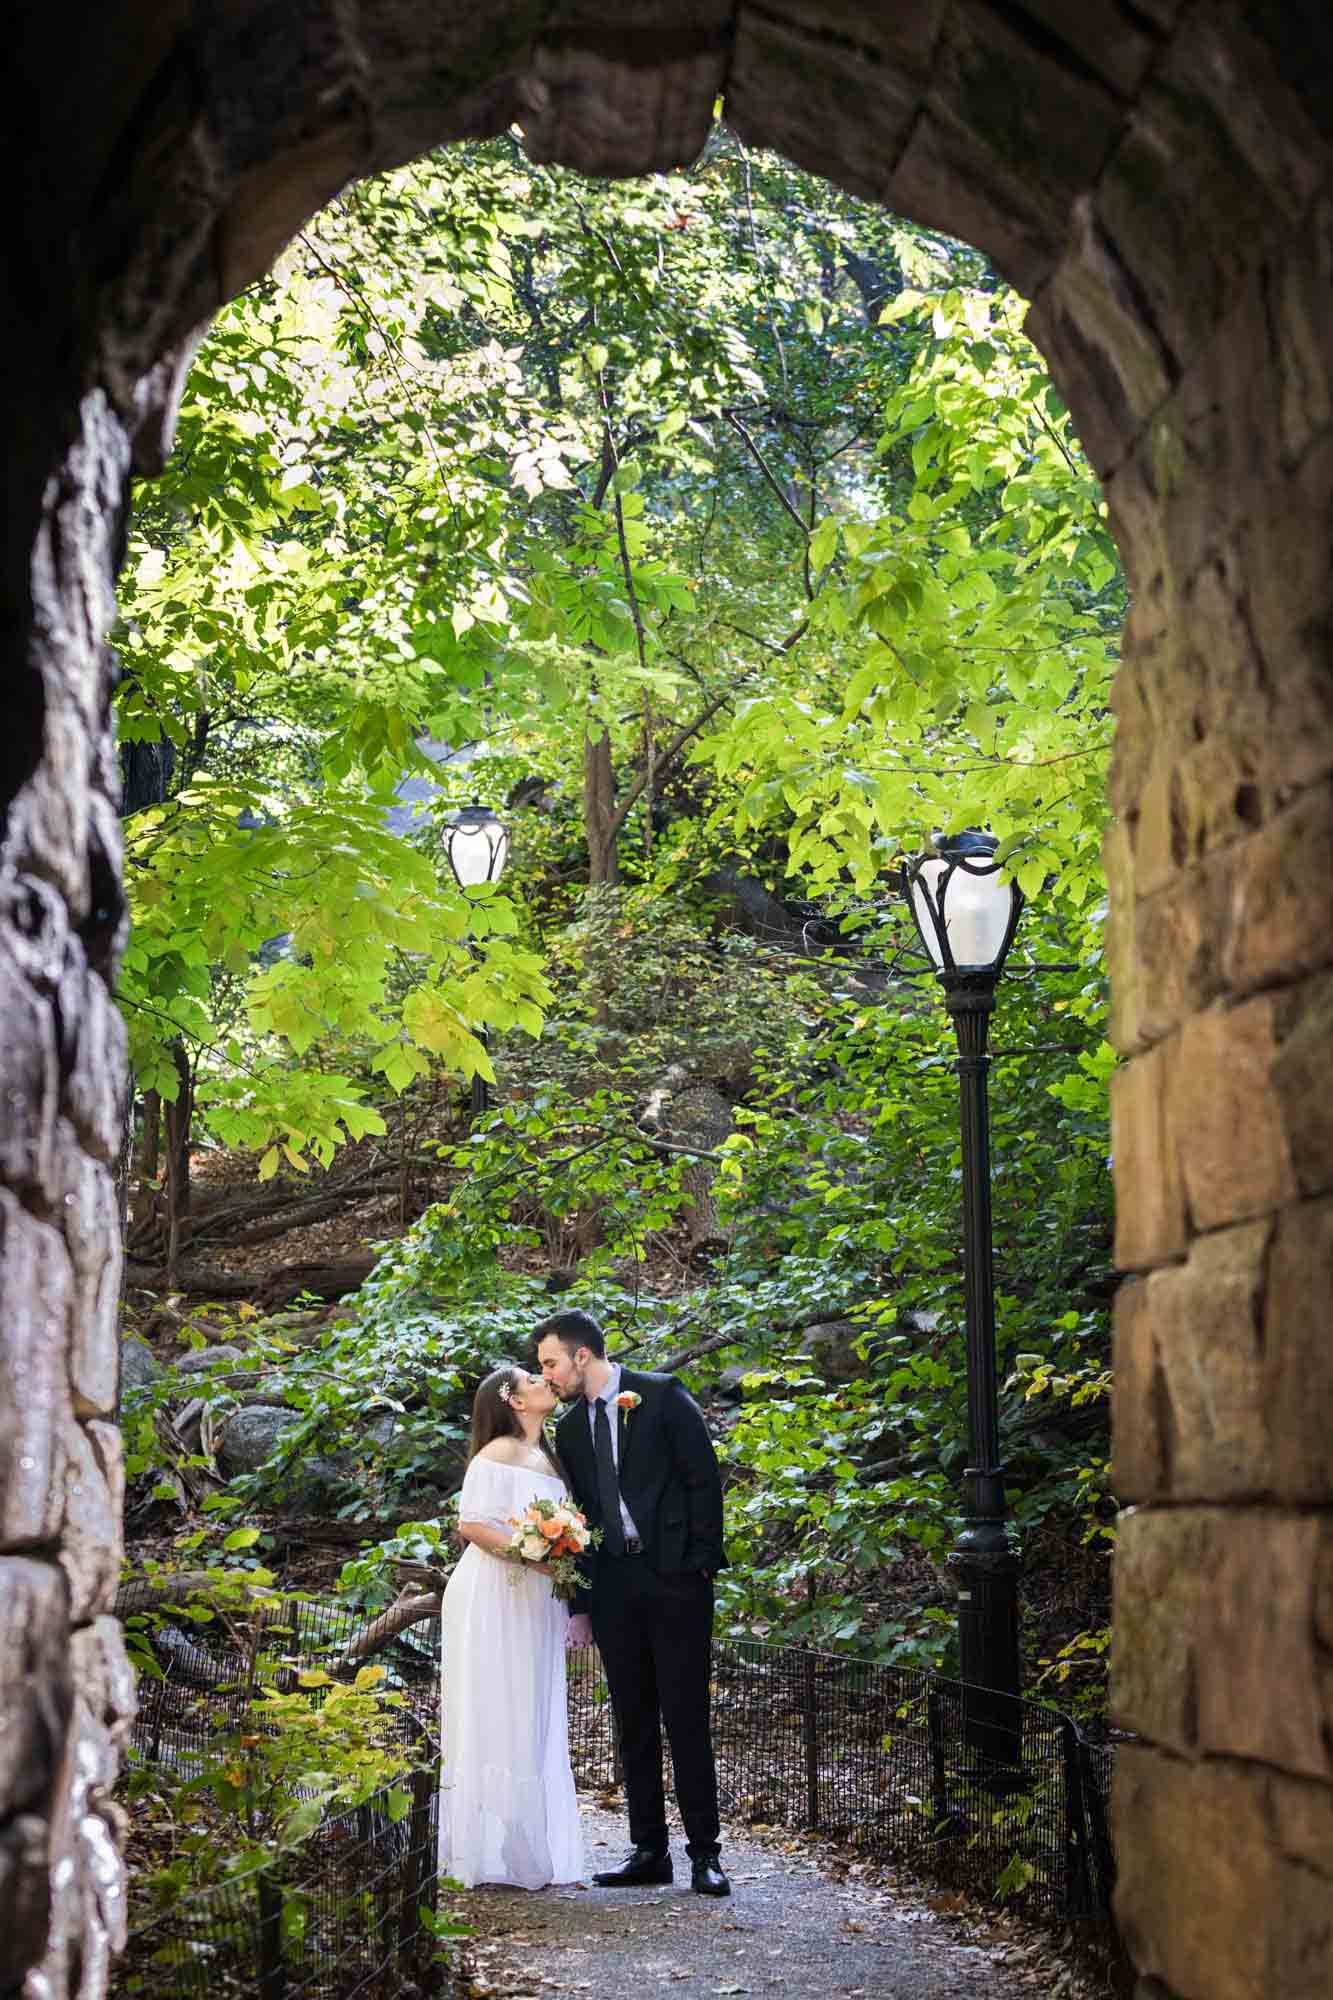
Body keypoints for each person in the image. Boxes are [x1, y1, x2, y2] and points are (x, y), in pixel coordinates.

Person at [535, 1309, 731, 1898]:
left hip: (675, 1578)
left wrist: (698, 1562)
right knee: (633, 1719)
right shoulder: (569, 1431)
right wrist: (585, 1602)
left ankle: (705, 1854)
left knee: (686, 1716)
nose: (546, 1376)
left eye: (550, 1363)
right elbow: (583, 1520)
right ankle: (649, 1849)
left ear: (582, 1356)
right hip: (615, 1585)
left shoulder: (661, 1395)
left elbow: (704, 1478)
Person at [438, 1362, 586, 1890]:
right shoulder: (496, 1452)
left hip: (537, 1597)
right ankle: (494, 1846)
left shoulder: (549, 1458)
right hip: (494, 1593)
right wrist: (533, 1554)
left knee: (531, 1708)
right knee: (498, 1705)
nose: (545, 1381)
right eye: (533, 1379)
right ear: (515, 1402)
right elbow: (472, 1523)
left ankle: (523, 1843)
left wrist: (560, 1566)